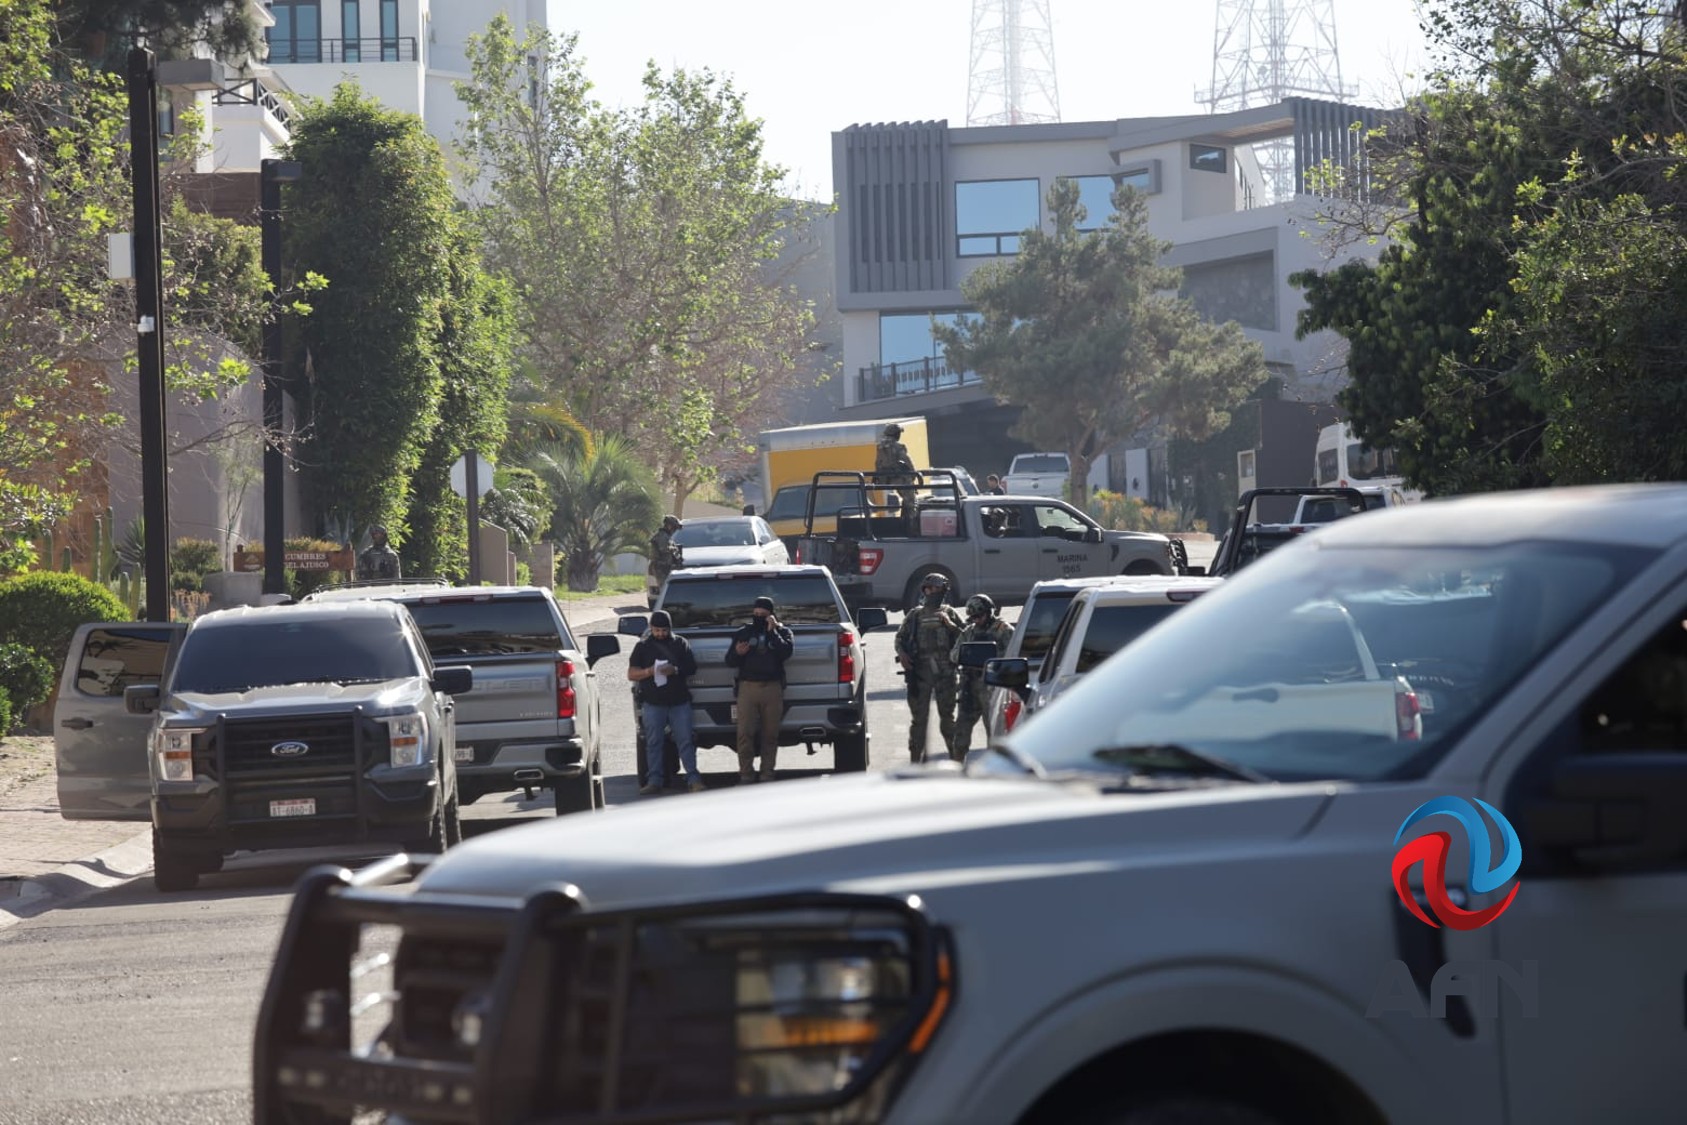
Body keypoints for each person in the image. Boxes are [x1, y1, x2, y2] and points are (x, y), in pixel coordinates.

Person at [627, 610, 704, 795]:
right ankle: (654, 781)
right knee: (654, 742)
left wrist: (675, 670)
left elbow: (691, 668)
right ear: (651, 628)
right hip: (653, 702)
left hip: (679, 702)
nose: (660, 634)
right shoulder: (643, 646)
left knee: (685, 741)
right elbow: (631, 674)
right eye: (656, 630)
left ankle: (693, 779)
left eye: (664, 630)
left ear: (670, 628)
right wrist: (649, 671)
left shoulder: (680, 643)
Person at [895, 572, 963, 763]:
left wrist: (950, 625)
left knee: (947, 719)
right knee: (919, 721)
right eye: (932, 588)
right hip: (920, 673)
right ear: (925, 590)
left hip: (946, 672)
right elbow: (900, 638)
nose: (935, 592)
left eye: (939, 589)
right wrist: (903, 654)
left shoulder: (950, 613)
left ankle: (956, 760)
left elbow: (965, 636)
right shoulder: (915, 615)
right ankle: (916, 761)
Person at [725, 595, 794, 782]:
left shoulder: (783, 632)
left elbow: (786, 652)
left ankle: (767, 774)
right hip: (748, 688)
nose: (758, 617)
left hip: (772, 688)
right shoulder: (744, 632)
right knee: (744, 734)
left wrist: (773, 632)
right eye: (755, 614)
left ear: (771, 615)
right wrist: (738, 653)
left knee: (770, 735)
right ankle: (746, 774)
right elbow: (729, 661)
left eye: (763, 615)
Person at [950, 594, 1014, 761]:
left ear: (989, 612)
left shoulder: (1003, 630)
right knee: (961, 734)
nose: (977, 620)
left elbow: (1013, 654)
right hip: (969, 687)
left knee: (995, 734)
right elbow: (954, 654)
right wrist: (967, 654)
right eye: (974, 617)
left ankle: (995, 769)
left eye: (980, 616)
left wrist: (993, 657)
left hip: (992, 687)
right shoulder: (969, 632)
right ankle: (957, 767)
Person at [875, 422, 918, 528]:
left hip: (887, 479)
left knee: (905, 501)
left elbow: (878, 463)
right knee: (911, 503)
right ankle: (912, 526)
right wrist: (913, 474)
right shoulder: (898, 447)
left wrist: (880, 477)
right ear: (895, 434)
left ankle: (904, 521)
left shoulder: (880, 447)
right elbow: (906, 461)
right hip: (900, 478)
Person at [649, 514, 683, 595]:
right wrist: (674, 551)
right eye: (674, 528)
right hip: (661, 568)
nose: (674, 531)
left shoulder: (667, 537)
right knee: (664, 591)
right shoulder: (662, 537)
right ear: (669, 526)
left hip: (666, 568)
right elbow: (664, 550)